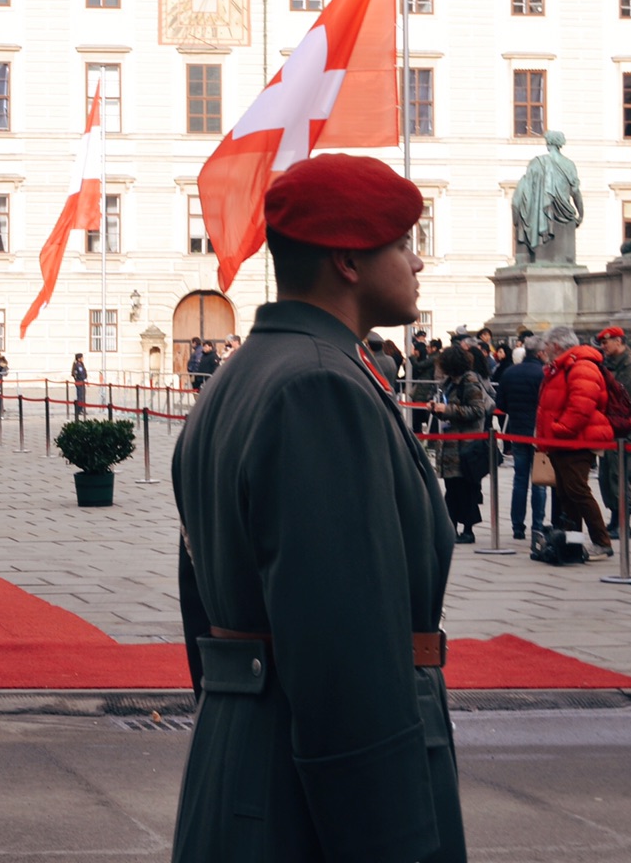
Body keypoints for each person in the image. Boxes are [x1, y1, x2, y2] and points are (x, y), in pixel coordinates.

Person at [173, 154, 464, 862]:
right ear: (349, 261)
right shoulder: (318, 386)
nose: (417, 262)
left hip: (247, 749)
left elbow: (198, 600)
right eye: (402, 243)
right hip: (306, 792)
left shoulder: (243, 374)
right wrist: (390, 836)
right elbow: (345, 647)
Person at [535, 326, 615, 559]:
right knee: (566, 493)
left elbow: (582, 404)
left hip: (576, 440)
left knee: (577, 491)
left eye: (547, 346)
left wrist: (561, 429)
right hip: (562, 442)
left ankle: (602, 542)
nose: (544, 350)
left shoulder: (581, 366)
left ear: (557, 345)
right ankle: (572, 541)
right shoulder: (563, 366)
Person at [428, 344, 490, 544]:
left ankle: (468, 530)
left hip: (465, 445)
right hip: (450, 445)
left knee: (465, 490)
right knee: (452, 489)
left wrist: (448, 409)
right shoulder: (449, 383)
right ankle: (451, 528)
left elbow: (477, 410)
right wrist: (435, 408)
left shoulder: (469, 381)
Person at [494, 344, 546, 540]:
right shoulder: (543, 373)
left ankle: (517, 526)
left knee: (520, 479)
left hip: (516, 429)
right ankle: (538, 525)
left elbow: (501, 403)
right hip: (537, 431)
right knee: (539, 482)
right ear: (539, 353)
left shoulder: (510, 372)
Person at [594, 326, 631, 537]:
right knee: (606, 476)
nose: (604, 347)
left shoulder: (630, 366)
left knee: (619, 474)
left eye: (607, 342)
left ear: (619, 342)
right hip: (607, 428)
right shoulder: (609, 364)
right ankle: (615, 519)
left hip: (621, 429)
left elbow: (622, 398)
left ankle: (624, 523)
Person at [70, 352, 88, 419]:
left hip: (82, 382)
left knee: (83, 395)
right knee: (80, 395)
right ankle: (79, 409)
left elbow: (84, 372)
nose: (83, 359)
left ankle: (82, 409)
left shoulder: (81, 364)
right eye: (82, 357)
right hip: (79, 382)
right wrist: (78, 379)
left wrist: (85, 377)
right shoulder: (76, 365)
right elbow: (75, 374)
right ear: (79, 358)